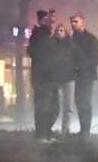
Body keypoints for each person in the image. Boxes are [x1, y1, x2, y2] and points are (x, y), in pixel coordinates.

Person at [27, 9, 60, 142]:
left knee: (54, 107)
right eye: (45, 20)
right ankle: (41, 134)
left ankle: (47, 132)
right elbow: (35, 52)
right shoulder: (38, 35)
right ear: (40, 22)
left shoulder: (48, 36)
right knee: (43, 107)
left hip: (51, 77)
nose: (49, 22)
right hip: (42, 78)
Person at [69, 14, 98, 136]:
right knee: (79, 101)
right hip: (77, 75)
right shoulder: (72, 39)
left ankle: (85, 130)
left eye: (75, 21)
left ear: (83, 22)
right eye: (72, 22)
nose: (73, 24)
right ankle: (84, 129)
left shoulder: (91, 39)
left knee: (84, 101)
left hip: (87, 76)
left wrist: (81, 65)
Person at [52, 25, 76, 135]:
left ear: (65, 32)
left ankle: (65, 130)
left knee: (68, 105)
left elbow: (77, 58)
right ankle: (48, 128)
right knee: (54, 104)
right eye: (57, 30)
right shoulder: (52, 45)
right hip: (56, 78)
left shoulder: (71, 45)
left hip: (69, 77)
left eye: (62, 30)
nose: (59, 32)